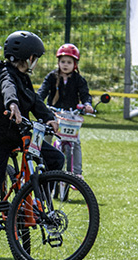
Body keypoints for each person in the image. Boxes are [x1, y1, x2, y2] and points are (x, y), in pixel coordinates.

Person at [0, 30, 63, 244]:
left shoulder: (25, 79)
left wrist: (50, 117)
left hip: (22, 136)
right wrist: (12, 104)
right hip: (0, 139)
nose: (36, 62)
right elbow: (8, 87)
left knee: (56, 159)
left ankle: (39, 201)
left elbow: (35, 101)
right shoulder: (3, 72)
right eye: (36, 57)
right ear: (28, 57)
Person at [37, 43, 93, 179]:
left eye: (69, 62)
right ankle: (41, 166)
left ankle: (77, 173)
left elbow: (85, 94)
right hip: (53, 114)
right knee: (46, 138)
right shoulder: (51, 77)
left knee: (76, 142)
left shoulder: (79, 80)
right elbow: (42, 91)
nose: (65, 65)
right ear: (58, 62)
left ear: (75, 64)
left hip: (70, 116)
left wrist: (87, 104)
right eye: (63, 61)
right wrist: (38, 102)